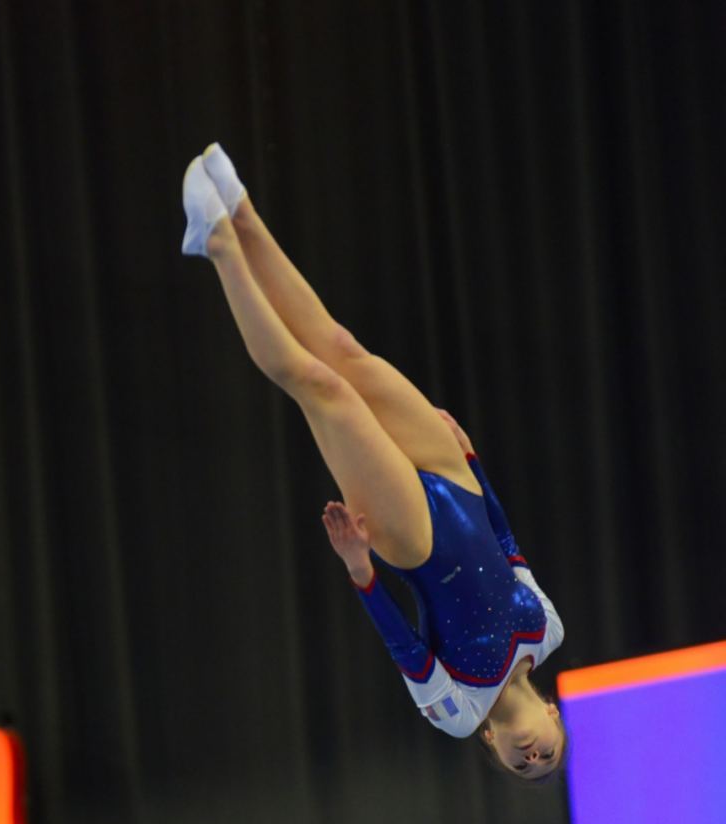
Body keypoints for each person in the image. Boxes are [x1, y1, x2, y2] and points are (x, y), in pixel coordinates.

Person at [181, 143, 566, 781]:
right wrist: (471, 458)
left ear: (491, 748)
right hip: (458, 481)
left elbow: (403, 644)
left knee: (320, 386)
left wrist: (362, 572)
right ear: (554, 714)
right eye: (547, 752)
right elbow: (508, 544)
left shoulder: (458, 711)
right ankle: (242, 211)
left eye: (522, 765)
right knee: (343, 349)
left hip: (415, 541)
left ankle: (219, 246)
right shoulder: (549, 632)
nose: (533, 755)